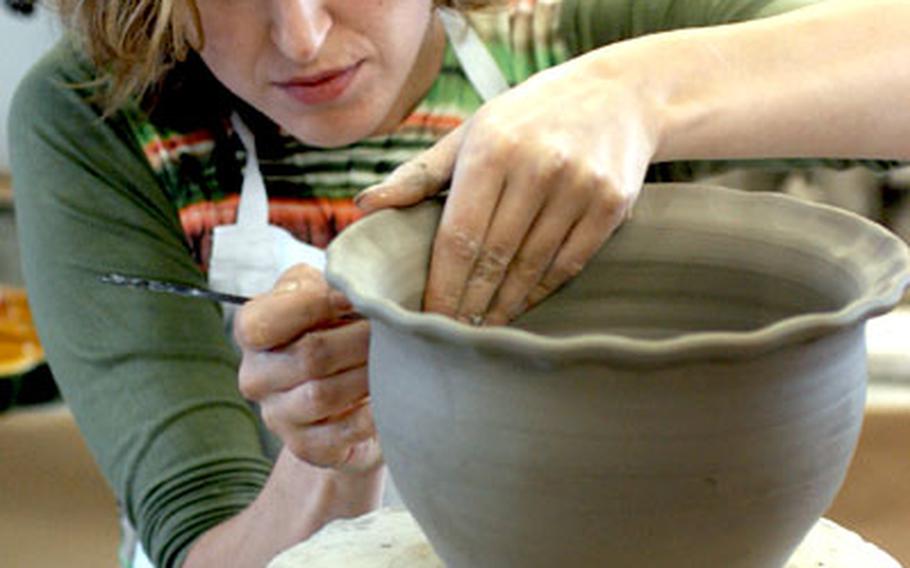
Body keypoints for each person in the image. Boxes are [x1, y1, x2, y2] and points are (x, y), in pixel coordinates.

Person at [7, 0, 906, 566]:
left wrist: (639, 91)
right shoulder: (98, 115)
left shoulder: (566, 27)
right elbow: (199, 546)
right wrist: (331, 449)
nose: (301, 33)